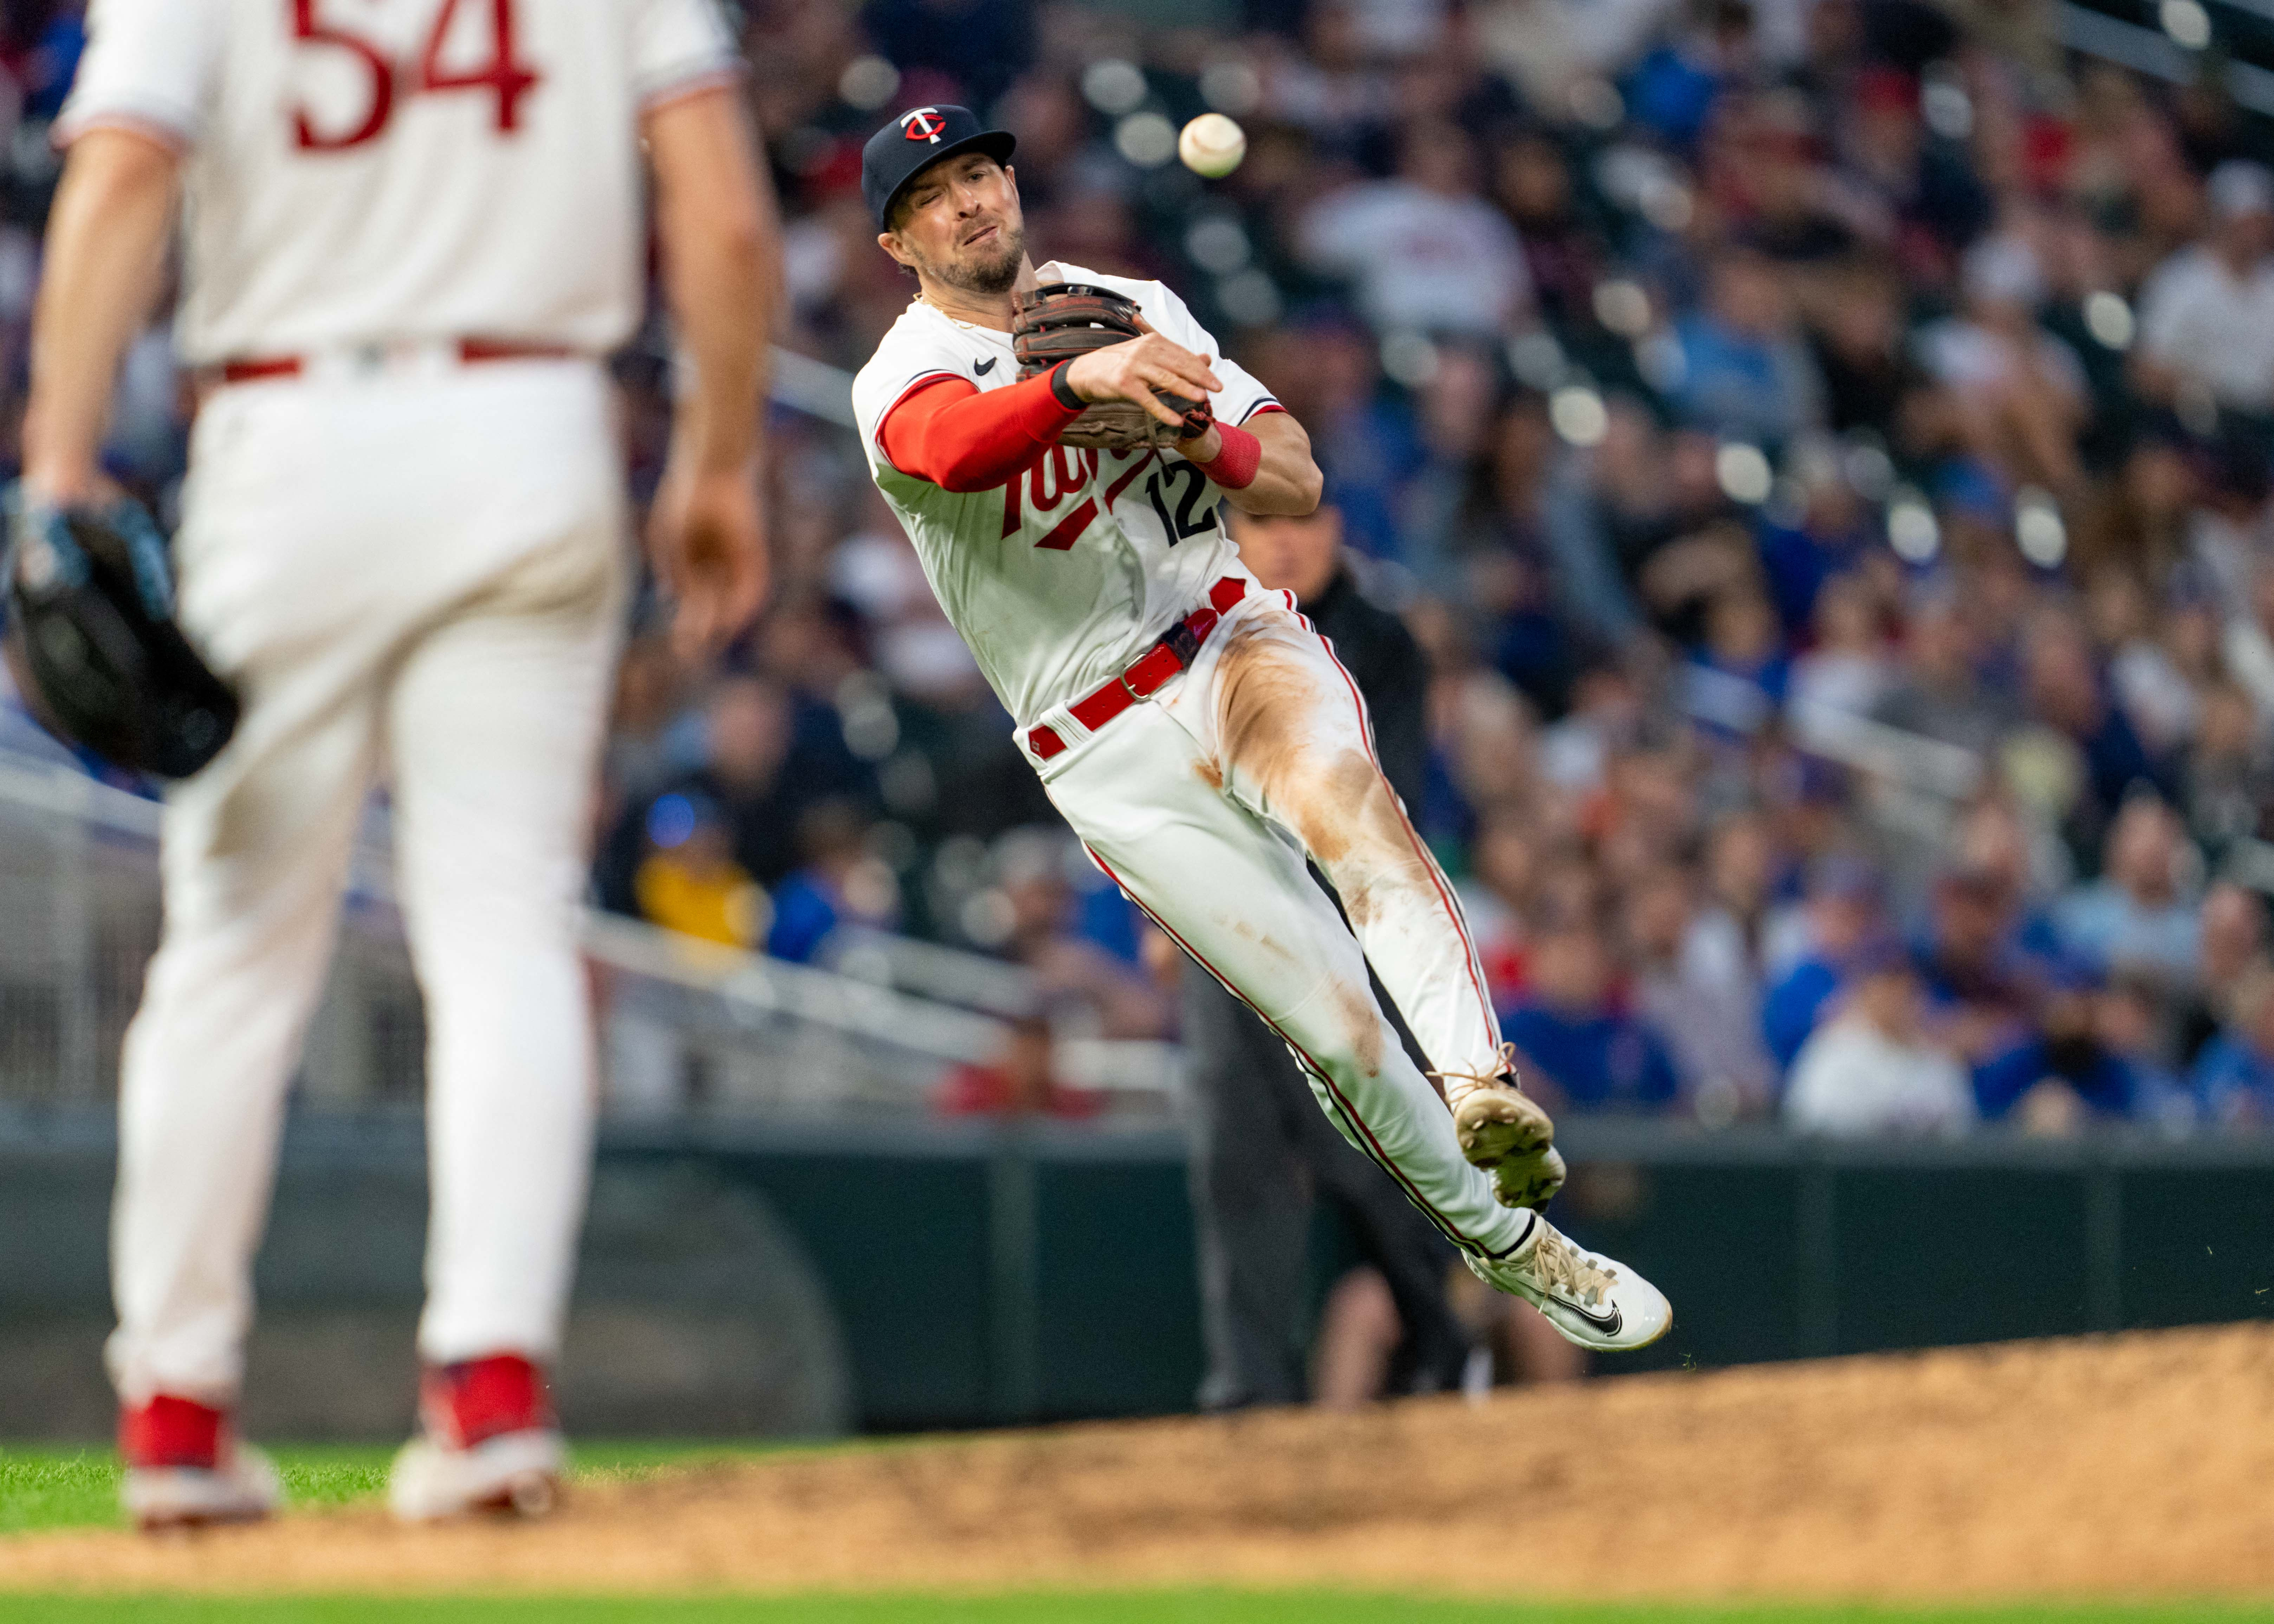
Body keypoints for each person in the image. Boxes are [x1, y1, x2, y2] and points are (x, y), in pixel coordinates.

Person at [35, 0, 776, 1527]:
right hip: (531, 430)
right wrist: (713, 459)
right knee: (505, 932)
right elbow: (725, 213)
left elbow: (119, 175)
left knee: (234, 950)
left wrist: (55, 463)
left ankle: (176, 1412)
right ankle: (491, 1391)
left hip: (287, 444)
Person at [848, 106, 1670, 1352]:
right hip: (1101, 743)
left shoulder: (1138, 304)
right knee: (1331, 1023)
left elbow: (1294, 479)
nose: (970, 202)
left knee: (1350, 806)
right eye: (933, 195)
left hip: (1231, 634)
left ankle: (1483, 1083)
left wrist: (1191, 427)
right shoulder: (900, 372)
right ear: (897, 241)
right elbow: (948, 453)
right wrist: (1081, 384)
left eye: (981, 172)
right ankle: (1512, 1245)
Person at [1181, 500, 1471, 1409]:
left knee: (1368, 1157)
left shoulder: (1379, 644)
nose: (1285, 539)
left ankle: (1438, 1342)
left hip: (1336, 938)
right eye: (1261, 521)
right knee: (1240, 1160)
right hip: (1228, 938)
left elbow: (1379, 796)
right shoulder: (1204, 633)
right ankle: (1249, 1394)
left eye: (1300, 518)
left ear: (1336, 527)